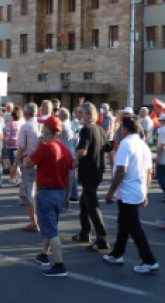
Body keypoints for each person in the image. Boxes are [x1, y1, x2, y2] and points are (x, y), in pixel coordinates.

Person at [102, 114, 159, 274]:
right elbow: (149, 172)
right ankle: (117, 254)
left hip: (128, 192)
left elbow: (121, 170)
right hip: (136, 191)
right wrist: (145, 193)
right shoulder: (143, 145)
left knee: (133, 227)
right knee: (124, 223)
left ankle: (149, 259)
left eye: (121, 127)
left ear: (125, 128)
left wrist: (110, 192)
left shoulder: (126, 144)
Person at [25, 115, 73, 277]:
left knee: (51, 230)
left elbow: (28, 163)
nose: (42, 129)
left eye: (44, 126)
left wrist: (36, 147)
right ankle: (44, 255)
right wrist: (67, 196)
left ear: (48, 130)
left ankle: (59, 265)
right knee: (50, 226)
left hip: (47, 192)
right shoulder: (65, 149)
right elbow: (70, 174)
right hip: (60, 192)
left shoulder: (46, 147)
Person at [74, 102, 112, 251]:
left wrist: (75, 159)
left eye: (81, 113)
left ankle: (102, 238)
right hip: (97, 171)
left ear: (89, 114)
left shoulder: (87, 129)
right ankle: (85, 232)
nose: (79, 116)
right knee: (84, 202)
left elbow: (83, 151)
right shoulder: (100, 129)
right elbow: (109, 148)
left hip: (88, 171)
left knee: (92, 204)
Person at [10, 103, 41, 231]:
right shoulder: (42, 124)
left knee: (29, 192)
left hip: (29, 161)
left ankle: (33, 222)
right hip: (42, 162)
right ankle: (39, 220)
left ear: (26, 113)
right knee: (39, 191)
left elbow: (21, 148)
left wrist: (15, 164)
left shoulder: (26, 126)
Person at [58, 108, 78, 202]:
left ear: (61, 116)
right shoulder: (72, 124)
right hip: (72, 151)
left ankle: (66, 195)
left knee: (66, 176)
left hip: (64, 153)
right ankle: (74, 193)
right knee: (72, 175)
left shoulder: (62, 125)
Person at [4, 107, 23, 185]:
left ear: (12, 116)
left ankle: (19, 177)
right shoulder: (21, 124)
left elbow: (8, 135)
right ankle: (12, 178)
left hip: (11, 145)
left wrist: (5, 142)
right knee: (16, 162)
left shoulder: (9, 124)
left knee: (14, 162)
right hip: (19, 145)